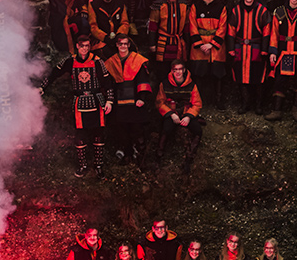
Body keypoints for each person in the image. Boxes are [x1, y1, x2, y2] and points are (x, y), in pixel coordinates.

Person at [61, 37, 110, 176]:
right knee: (80, 134)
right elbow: (55, 73)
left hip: (96, 100)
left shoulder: (97, 61)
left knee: (98, 133)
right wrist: (42, 87)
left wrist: (110, 101)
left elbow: (107, 81)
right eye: (82, 46)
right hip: (79, 102)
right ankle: (82, 165)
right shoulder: (70, 61)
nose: (85, 49)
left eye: (87, 46)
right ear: (77, 46)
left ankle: (98, 165)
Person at [103, 35, 153, 165]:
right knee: (121, 129)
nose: (123, 46)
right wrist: (110, 100)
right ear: (117, 45)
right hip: (119, 100)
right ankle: (127, 153)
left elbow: (143, 79)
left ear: (129, 45)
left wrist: (142, 98)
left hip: (135, 99)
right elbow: (109, 83)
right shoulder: (111, 62)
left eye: (125, 44)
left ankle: (141, 157)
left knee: (137, 128)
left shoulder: (137, 60)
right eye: (120, 44)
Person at [228, 0, 272, 113]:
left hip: (256, 48)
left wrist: (264, 50)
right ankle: (245, 104)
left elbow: (267, 32)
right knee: (240, 76)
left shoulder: (262, 11)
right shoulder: (236, 10)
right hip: (240, 48)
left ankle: (258, 105)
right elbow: (231, 31)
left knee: (259, 76)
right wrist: (231, 48)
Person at [184, 0, 229, 106]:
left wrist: (212, 44)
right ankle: (198, 101)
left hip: (215, 46)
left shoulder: (221, 7)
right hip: (200, 46)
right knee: (198, 73)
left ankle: (218, 100)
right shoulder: (195, 6)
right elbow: (192, 26)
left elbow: (223, 27)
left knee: (218, 74)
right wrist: (200, 44)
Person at [156, 61, 204, 168]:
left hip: (186, 113)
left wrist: (188, 116)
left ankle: (190, 157)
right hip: (172, 113)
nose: (178, 72)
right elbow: (159, 102)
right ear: (172, 71)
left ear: (184, 70)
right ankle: (159, 155)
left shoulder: (192, 85)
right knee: (165, 130)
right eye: (175, 70)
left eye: (180, 69)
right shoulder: (164, 84)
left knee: (198, 131)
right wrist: (171, 114)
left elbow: (197, 103)